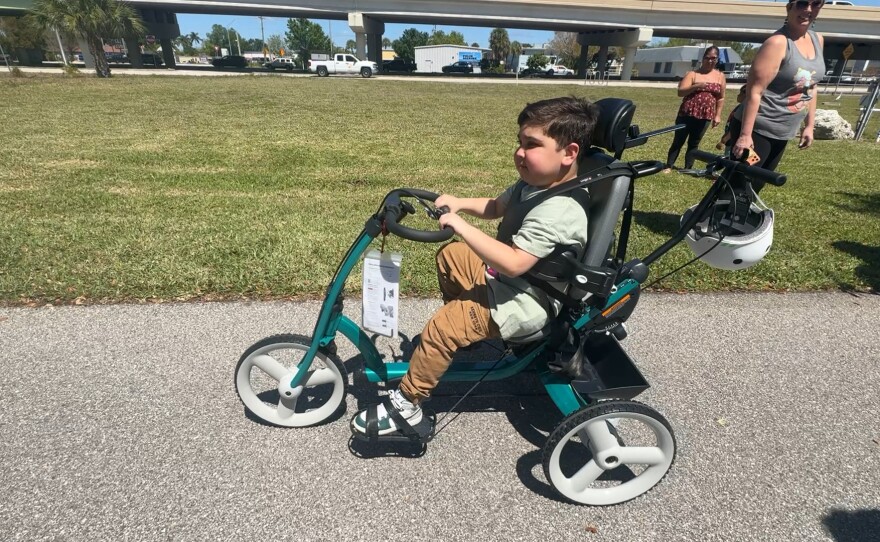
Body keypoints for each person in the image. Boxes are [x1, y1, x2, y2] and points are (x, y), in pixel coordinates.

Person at [352, 96, 599, 436]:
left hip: (527, 301)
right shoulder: (534, 186)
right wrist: (460, 204)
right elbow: (497, 206)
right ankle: (464, 335)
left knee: (441, 327)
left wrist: (461, 226)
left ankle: (407, 405)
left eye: (532, 145)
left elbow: (513, 263)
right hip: (512, 282)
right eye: (519, 142)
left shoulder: (560, 210)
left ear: (568, 153)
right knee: (451, 257)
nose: (520, 153)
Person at [732, 0, 825, 191]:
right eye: (802, 3)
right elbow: (755, 91)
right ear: (789, 7)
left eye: (816, 3)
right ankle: (710, 218)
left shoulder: (818, 40)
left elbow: (811, 86)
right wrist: (745, 135)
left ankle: (738, 219)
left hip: (784, 130)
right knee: (740, 184)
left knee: (757, 184)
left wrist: (809, 126)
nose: (808, 9)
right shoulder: (778, 43)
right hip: (759, 129)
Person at [663, 46, 727, 172]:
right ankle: (669, 165)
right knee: (678, 140)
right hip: (687, 113)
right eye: (707, 58)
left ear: (717, 59)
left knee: (694, 142)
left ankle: (688, 168)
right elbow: (681, 92)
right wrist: (696, 86)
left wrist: (717, 115)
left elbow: (720, 98)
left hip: (705, 115)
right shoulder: (692, 74)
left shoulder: (720, 76)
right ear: (703, 59)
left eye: (713, 58)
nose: (710, 61)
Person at [717, 85, 748, 156]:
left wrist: (725, 140)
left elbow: (737, 125)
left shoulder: (744, 109)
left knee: (730, 158)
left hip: (735, 140)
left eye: (741, 93)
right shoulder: (739, 107)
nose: (738, 95)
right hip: (730, 138)